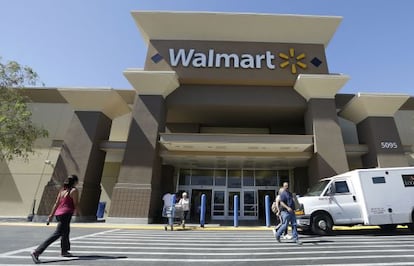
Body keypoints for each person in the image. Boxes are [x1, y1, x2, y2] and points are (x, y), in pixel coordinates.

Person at [31, 175, 80, 263]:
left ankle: (64, 251)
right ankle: (37, 251)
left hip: (59, 214)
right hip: (66, 213)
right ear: (75, 182)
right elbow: (75, 203)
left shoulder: (62, 191)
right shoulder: (74, 190)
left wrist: (51, 215)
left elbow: (56, 204)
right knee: (58, 233)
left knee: (65, 231)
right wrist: (78, 212)